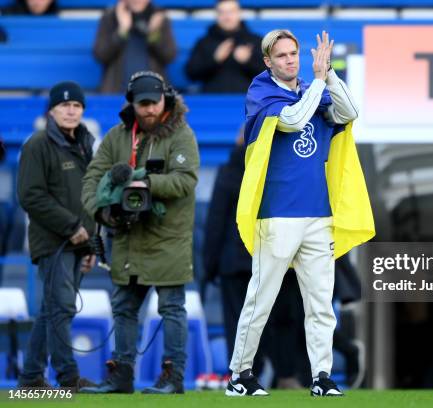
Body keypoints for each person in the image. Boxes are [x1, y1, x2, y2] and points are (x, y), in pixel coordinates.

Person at [226, 29, 375, 397]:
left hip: (318, 215)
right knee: (261, 298)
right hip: (276, 215)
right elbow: (291, 119)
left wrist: (330, 74)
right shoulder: (262, 91)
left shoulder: (315, 87)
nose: (290, 60)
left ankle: (322, 376)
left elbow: (350, 113)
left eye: (294, 54)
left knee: (321, 304)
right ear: (268, 61)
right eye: (281, 56)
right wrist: (319, 83)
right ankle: (239, 375)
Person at [79, 71, 199, 394]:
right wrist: (101, 211)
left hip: (168, 238)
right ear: (131, 103)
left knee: (171, 308)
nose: (148, 110)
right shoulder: (118, 137)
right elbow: (92, 177)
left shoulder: (181, 135)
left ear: (165, 100)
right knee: (123, 308)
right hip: (129, 238)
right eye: (142, 104)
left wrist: (145, 183)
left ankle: (173, 378)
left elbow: (186, 180)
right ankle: (121, 377)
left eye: (154, 103)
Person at [16, 81, 96, 390]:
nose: (71, 110)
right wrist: (70, 227)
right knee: (61, 308)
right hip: (53, 241)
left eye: (76, 106)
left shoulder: (85, 144)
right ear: (51, 110)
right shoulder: (37, 144)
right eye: (64, 105)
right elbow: (31, 196)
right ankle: (68, 377)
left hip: (79, 242)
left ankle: (31, 377)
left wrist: (91, 240)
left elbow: (91, 197)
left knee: (53, 310)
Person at [93, 0, 176, 93]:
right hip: (117, 93)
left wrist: (153, 34)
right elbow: (101, 55)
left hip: (152, 96)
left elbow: (169, 56)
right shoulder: (110, 18)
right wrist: (122, 31)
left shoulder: (158, 17)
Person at [185, 0, 265, 93]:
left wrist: (248, 61)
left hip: (249, 102)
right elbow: (190, 74)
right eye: (222, 12)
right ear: (216, 15)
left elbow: (270, 74)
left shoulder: (255, 40)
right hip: (213, 102)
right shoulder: (204, 42)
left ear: (239, 13)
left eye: (231, 11)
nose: (227, 17)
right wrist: (214, 60)